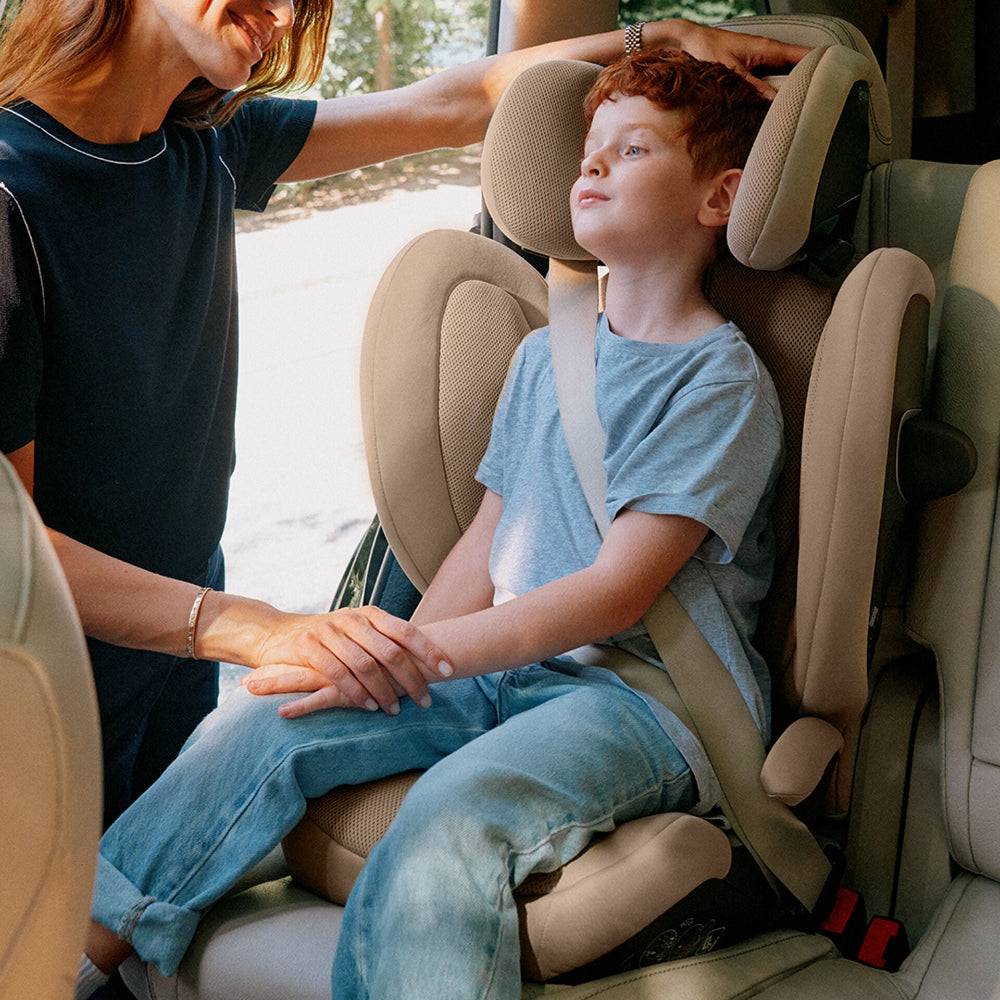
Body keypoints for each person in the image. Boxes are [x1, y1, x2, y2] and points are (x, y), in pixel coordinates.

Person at [76, 47, 784, 1000]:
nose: (593, 163)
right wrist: (390, 657)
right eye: (590, 146)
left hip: (639, 701)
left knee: (452, 816)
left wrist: (432, 656)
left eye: (633, 148)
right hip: (506, 670)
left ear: (719, 197)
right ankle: (73, 960)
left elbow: (618, 591)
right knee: (266, 716)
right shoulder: (546, 356)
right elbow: (491, 540)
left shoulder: (720, 382)